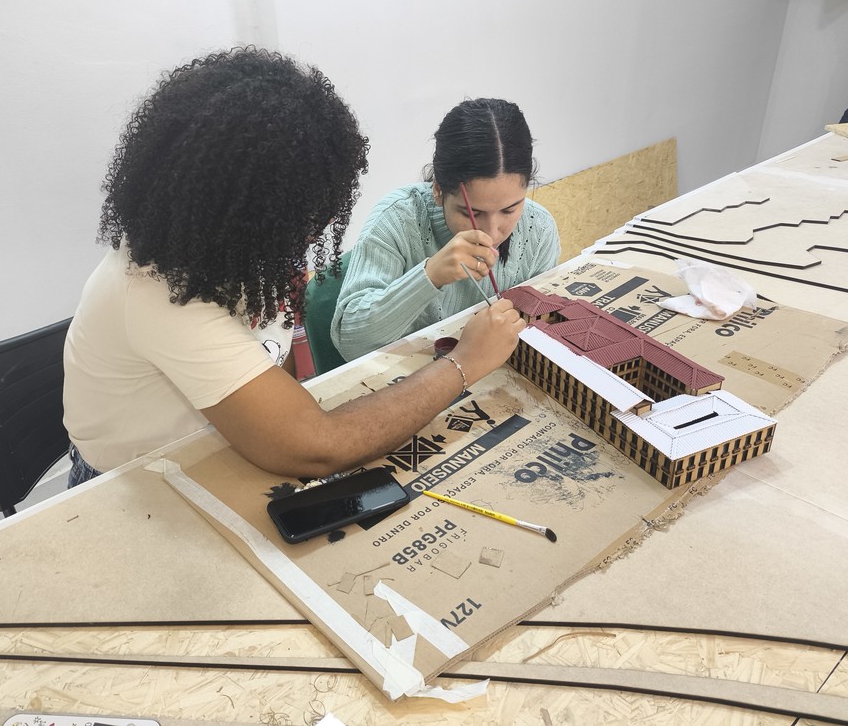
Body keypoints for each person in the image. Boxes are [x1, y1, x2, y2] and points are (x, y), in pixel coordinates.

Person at [63, 48, 527, 485]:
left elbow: (274, 359)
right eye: (303, 219)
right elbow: (316, 446)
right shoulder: (156, 293)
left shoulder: (234, 244)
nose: (316, 229)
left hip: (218, 453)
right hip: (133, 487)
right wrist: (464, 363)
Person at [331, 98, 560, 362]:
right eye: (472, 213)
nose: (492, 233)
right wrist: (430, 275)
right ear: (439, 190)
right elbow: (351, 341)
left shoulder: (538, 228)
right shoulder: (398, 219)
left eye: (510, 210)